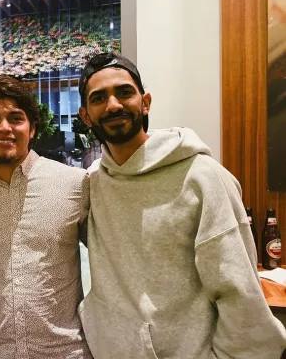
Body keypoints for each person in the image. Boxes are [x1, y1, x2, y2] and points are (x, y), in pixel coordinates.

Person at [77, 52, 286, 358]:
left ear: (145, 102)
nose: (113, 105)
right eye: (99, 98)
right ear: (86, 116)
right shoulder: (93, 184)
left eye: (124, 92)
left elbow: (240, 295)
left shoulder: (204, 178)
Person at [0, 75, 92, 358]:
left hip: (65, 352)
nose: (4, 127)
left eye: (15, 118)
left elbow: (112, 265)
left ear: (32, 128)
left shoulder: (75, 185)